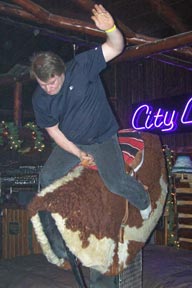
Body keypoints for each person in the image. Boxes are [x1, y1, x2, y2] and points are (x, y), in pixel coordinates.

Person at [30, 4, 151, 220]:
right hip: (72, 140)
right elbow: (54, 131)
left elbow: (115, 48)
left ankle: (143, 199)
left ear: (61, 71)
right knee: (46, 176)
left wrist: (111, 29)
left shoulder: (82, 65)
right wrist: (78, 153)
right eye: (43, 84)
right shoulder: (39, 99)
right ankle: (57, 222)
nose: (49, 89)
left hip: (103, 138)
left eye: (53, 82)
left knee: (115, 183)